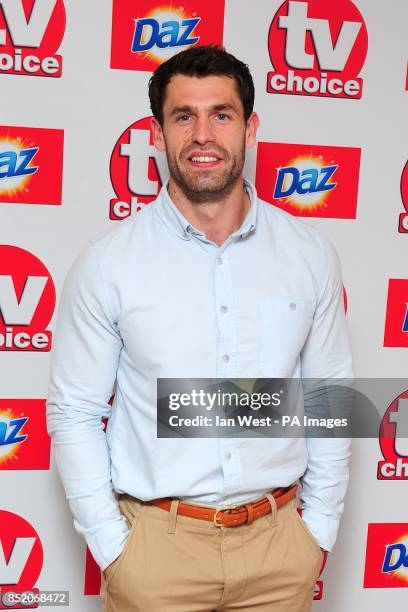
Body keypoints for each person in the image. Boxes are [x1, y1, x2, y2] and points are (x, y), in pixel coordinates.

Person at [46, 45, 353, 611]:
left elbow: (327, 395)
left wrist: (319, 528)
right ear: (158, 135)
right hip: (156, 555)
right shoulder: (109, 263)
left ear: (250, 127)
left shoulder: (309, 254)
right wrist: (115, 550)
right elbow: (74, 412)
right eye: (184, 116)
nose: (203, 134)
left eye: (222, 114)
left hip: (279, 551)